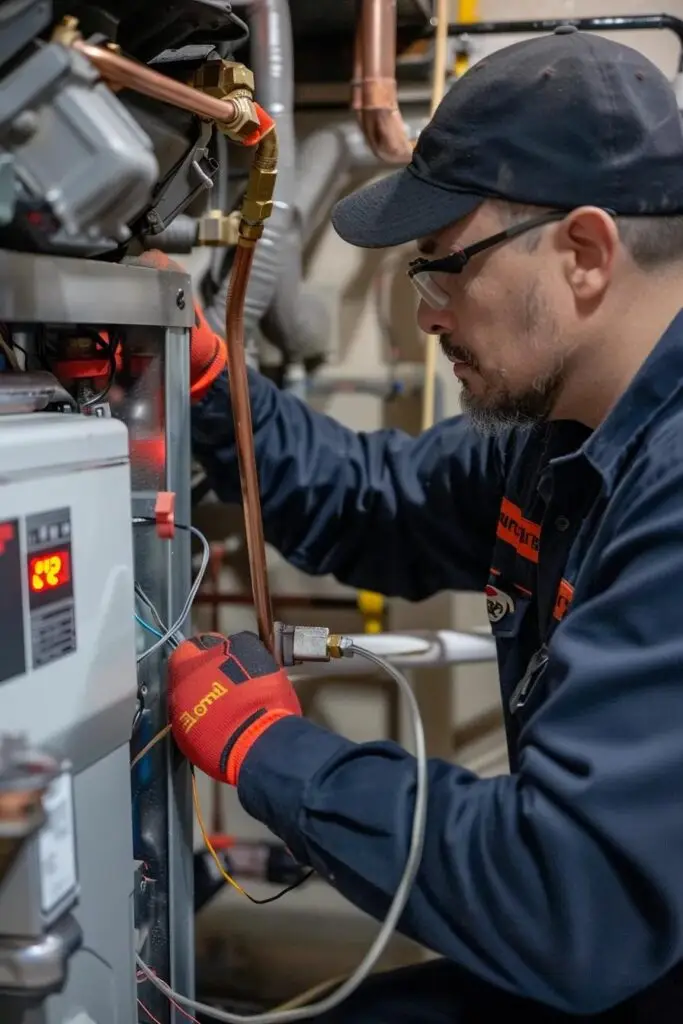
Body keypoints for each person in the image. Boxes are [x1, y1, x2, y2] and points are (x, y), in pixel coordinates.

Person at [170, 27, 683, 1022]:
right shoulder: (560, 434)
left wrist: (271, 752)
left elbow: (562, 895)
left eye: (442, 266)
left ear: (583, 253)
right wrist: (209, 386)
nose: (427, 316)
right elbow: (379, 500)